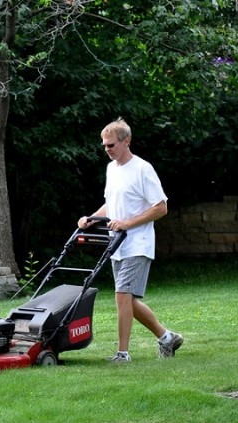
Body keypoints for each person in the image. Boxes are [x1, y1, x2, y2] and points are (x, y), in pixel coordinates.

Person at [77, 117, 183, 363]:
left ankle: (122, 354)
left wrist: (127, 223)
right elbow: (111, 205)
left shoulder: (143, 169)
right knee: (128, 300)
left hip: (138, 243)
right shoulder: (111, 169)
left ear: (127, 141)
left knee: (122, 296)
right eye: (104, 146)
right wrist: (92, 218)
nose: (107, 149)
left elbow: (161, 207)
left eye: (111, 145)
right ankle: (167, 338)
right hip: (117, 244)